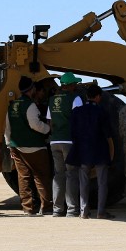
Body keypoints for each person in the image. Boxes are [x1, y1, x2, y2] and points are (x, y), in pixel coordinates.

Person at [5, 77, 53, 216]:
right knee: (42, 176)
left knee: (23, 177)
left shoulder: (12, 105)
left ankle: (28, 208)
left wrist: (9, 145)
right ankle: (47, 207)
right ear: (31, 89)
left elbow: (7, 127)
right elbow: (35, 124)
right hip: (34, 147)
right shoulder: (30, 105)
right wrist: (48, 129)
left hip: (16, 147)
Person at [69, 84, 116, 219]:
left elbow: (73, 133)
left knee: (83, 181)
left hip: (83, 152)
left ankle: (83, 211)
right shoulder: (102, 112)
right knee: (102, 182)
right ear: (97, 97)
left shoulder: (77, 111)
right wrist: (111, 153)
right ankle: (101, 212)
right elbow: (108, 135)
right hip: (100, 151)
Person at [48, 72, 84, 217]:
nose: (76, 86)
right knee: (71, 174)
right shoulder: (75, 98)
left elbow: (49, 122)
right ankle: (72, 209)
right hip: (68, 140)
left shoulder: (51, 100)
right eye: (74, 83)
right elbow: (80, 120)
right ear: (69, 85)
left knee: (58, 175)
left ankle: (57, 209)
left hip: (54, 141)